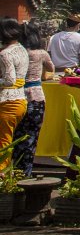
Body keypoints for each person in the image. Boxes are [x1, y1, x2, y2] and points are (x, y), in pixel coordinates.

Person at [13, 22, 53, 176]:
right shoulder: (41, 53)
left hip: (17, 97)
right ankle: (26, 173)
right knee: (31, 137)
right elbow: (51, 69)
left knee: (16, 137)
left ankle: (14, 171)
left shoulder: (15, 52)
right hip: (36, 97)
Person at [0, 18, 29, 171]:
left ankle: (2, 175)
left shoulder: (5, 53)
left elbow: (9, 80)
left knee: (4, 141)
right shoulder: (22, 49)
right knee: (7, 140)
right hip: (20, 100)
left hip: (8, 101)